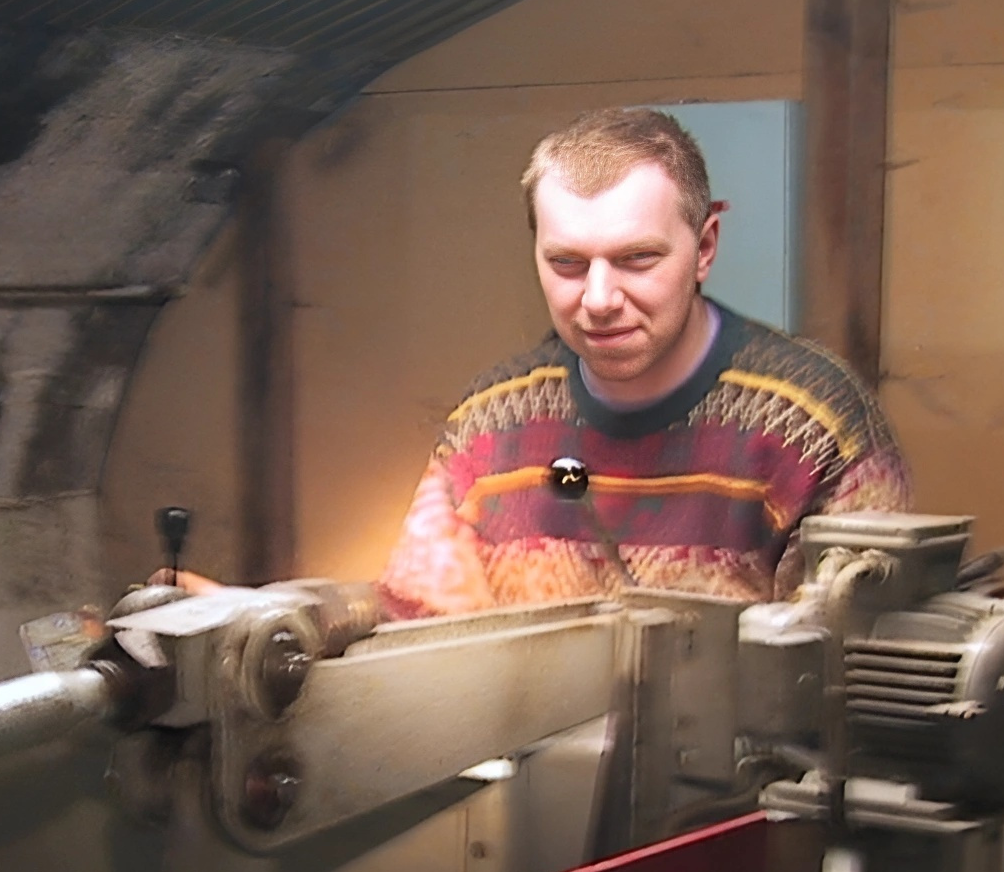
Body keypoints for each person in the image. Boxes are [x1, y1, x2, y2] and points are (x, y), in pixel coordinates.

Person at [378, 107, 909, 619]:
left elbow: (850, 665)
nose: (599, 299)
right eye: (568, 264)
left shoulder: (815, 427)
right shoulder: (489, 425)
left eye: (637, 260)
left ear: (704, 248)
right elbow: (417, 635)